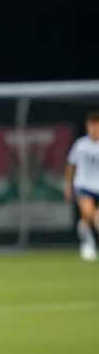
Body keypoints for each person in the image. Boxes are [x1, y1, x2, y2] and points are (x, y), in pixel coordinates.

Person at [66, 112, 99, 261]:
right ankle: (88, 244)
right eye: (91, 125)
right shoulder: (80, 145)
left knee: (95, 218)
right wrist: (68, 186)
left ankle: (89, 240)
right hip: (84, 185)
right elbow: (71, 166)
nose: (94, 129)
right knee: (89, 213)